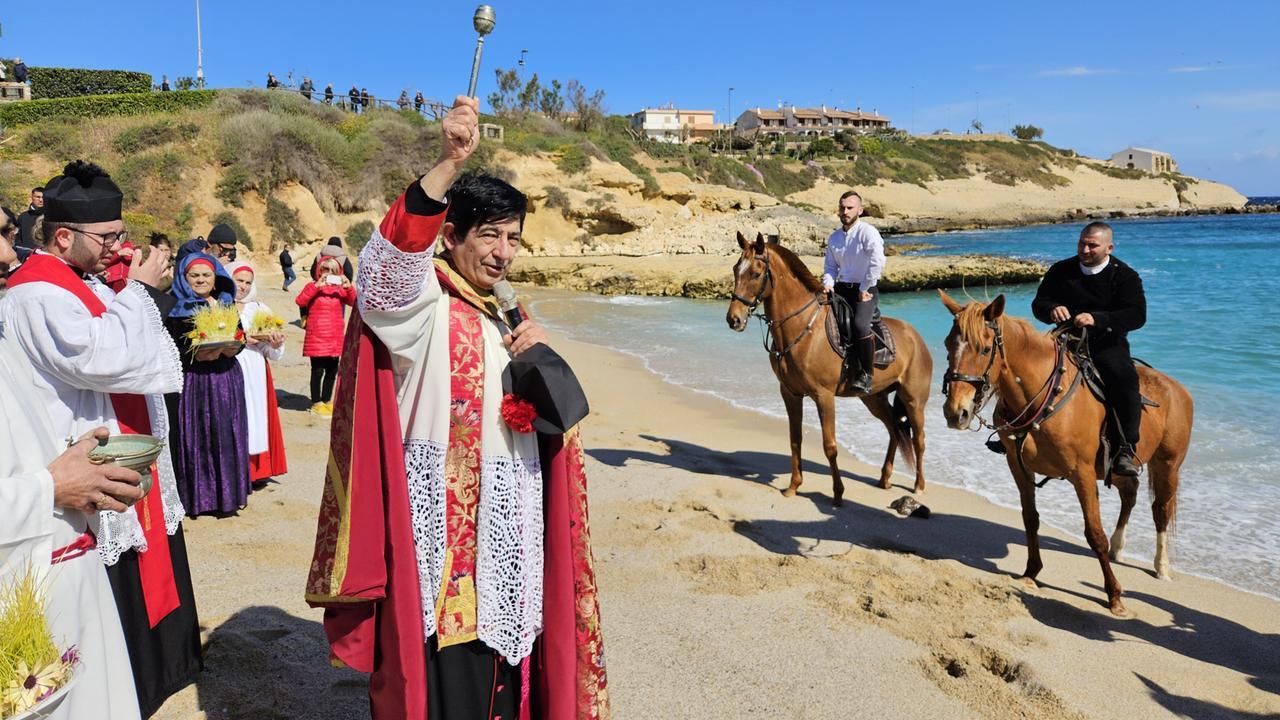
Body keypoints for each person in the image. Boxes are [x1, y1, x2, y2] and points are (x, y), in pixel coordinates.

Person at [305, 96, 609, 719]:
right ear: (451, 236)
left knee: (506, 668)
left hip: (511, 509)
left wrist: (543, 357)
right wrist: (446, 165)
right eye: (489, 235)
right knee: (443, 669)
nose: (502, 252)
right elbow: (385, 272)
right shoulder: (422, 306)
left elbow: (551, 419)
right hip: (443, 520)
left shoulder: (507, 312)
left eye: (513, 238)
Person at [0, 161, 202, 717]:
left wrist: (130, 292)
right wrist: (137, 290)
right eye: (107, 236)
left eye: (120, 233)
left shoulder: (81, 282)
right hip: (74, 468)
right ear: (64, 236)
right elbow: (108, 360)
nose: (120, 244)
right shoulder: (36, 293)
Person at [1, 331, 145, 720]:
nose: (8, 265)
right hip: (18, 599)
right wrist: (51, 487)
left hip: (72, 576)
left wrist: (81, 467)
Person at [1032, 221, 1147, 476]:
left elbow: (1137, 315)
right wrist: (1051, 308)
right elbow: (1038, 303)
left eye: (1092, 245)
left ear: (1109, 248)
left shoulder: (1125, 276)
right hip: (1062, 338)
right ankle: (1011, 430)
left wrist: (1098, 319)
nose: (1085, 250)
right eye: (1082, 243)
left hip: (1106, 343)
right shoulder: (1061, 270)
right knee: (1021, 367)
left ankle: (1125, 448)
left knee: (1124, 378)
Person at [164, 252, 251, 515]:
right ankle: (199, 499)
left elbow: (241, 337)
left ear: (216, 279)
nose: (200, 280)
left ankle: (227, 497)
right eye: (194, 275)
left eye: (206, 275)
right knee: (198, 436)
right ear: (184, 278)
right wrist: (196, 353)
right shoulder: (175, 309)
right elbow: (172, 347)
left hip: (226, 378)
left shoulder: (225, 304)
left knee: (227, 434)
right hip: (196, 383)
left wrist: (232, 349)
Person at [228, 261, 288, 483]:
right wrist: (242, 339)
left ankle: (254, 470)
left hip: (254, 369)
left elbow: (272, 352)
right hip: (227, 366)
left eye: (247, 282)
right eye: (238, 280)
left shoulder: (260, 309)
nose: (242, 286)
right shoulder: (218, 305)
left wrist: (274, 343)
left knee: (254, 415)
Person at [821, 190, 885, 394]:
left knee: (859, 325)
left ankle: (866, 374)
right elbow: (830, 267)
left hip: (865, 290)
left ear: (860, 210)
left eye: (850, 208)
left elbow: (878, 262)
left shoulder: (868, 232)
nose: (845, 211)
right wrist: (828, 283)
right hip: (840, 288)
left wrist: (865, 288)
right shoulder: (834, 238)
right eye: (842, 207)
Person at [295, 256, 354, 416]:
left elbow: (354, 302)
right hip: (317, 337)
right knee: (317, 370)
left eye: (333, 271)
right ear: (319, 271)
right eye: (325, 270)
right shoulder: (312, 286)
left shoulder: (340, 290)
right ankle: (316, 402)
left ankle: (327, 401)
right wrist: (316, 285)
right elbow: (300, 301)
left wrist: (348, 287)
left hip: (334, 337)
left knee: (332, 371)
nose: (328, 274)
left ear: (338, 273)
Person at [17, 186, 44, 261]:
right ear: (32, 197)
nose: (41, 200)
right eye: (38, 197)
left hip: (45, 258)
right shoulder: (23, 217)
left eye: (43, 197)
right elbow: (17, 238)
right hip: (25, 258)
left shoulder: (51, 216)